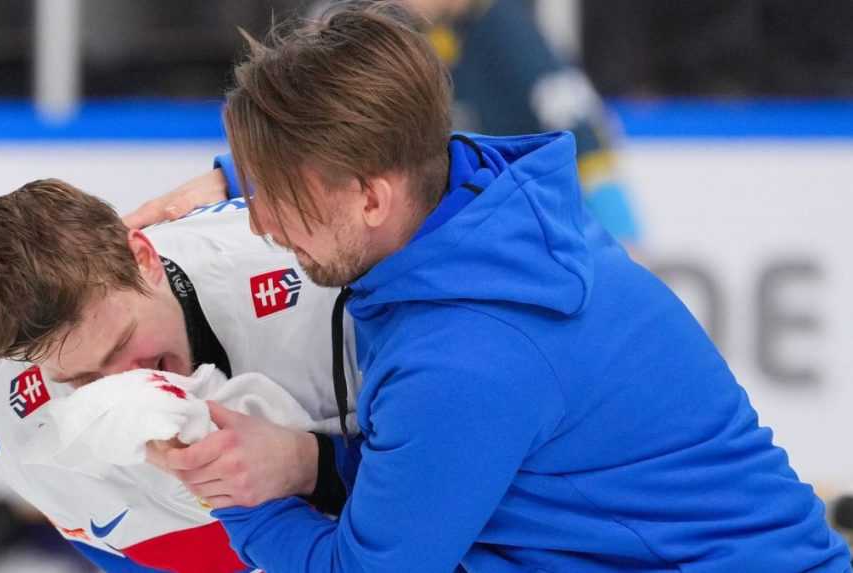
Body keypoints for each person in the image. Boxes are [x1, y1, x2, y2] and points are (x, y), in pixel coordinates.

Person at [143, 3, 850, 571]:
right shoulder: (482, 205)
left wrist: (238, 494)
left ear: (369, 197)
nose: (258, 224)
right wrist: (311, 463)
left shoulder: (467, 350)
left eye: (275, 194)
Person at [0, 179, 359, 573]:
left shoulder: (310, 270)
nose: (127, 385)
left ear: (145, 258)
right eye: (83, 379)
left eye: (122, 344)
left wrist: (313, 465)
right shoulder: (24, 432)